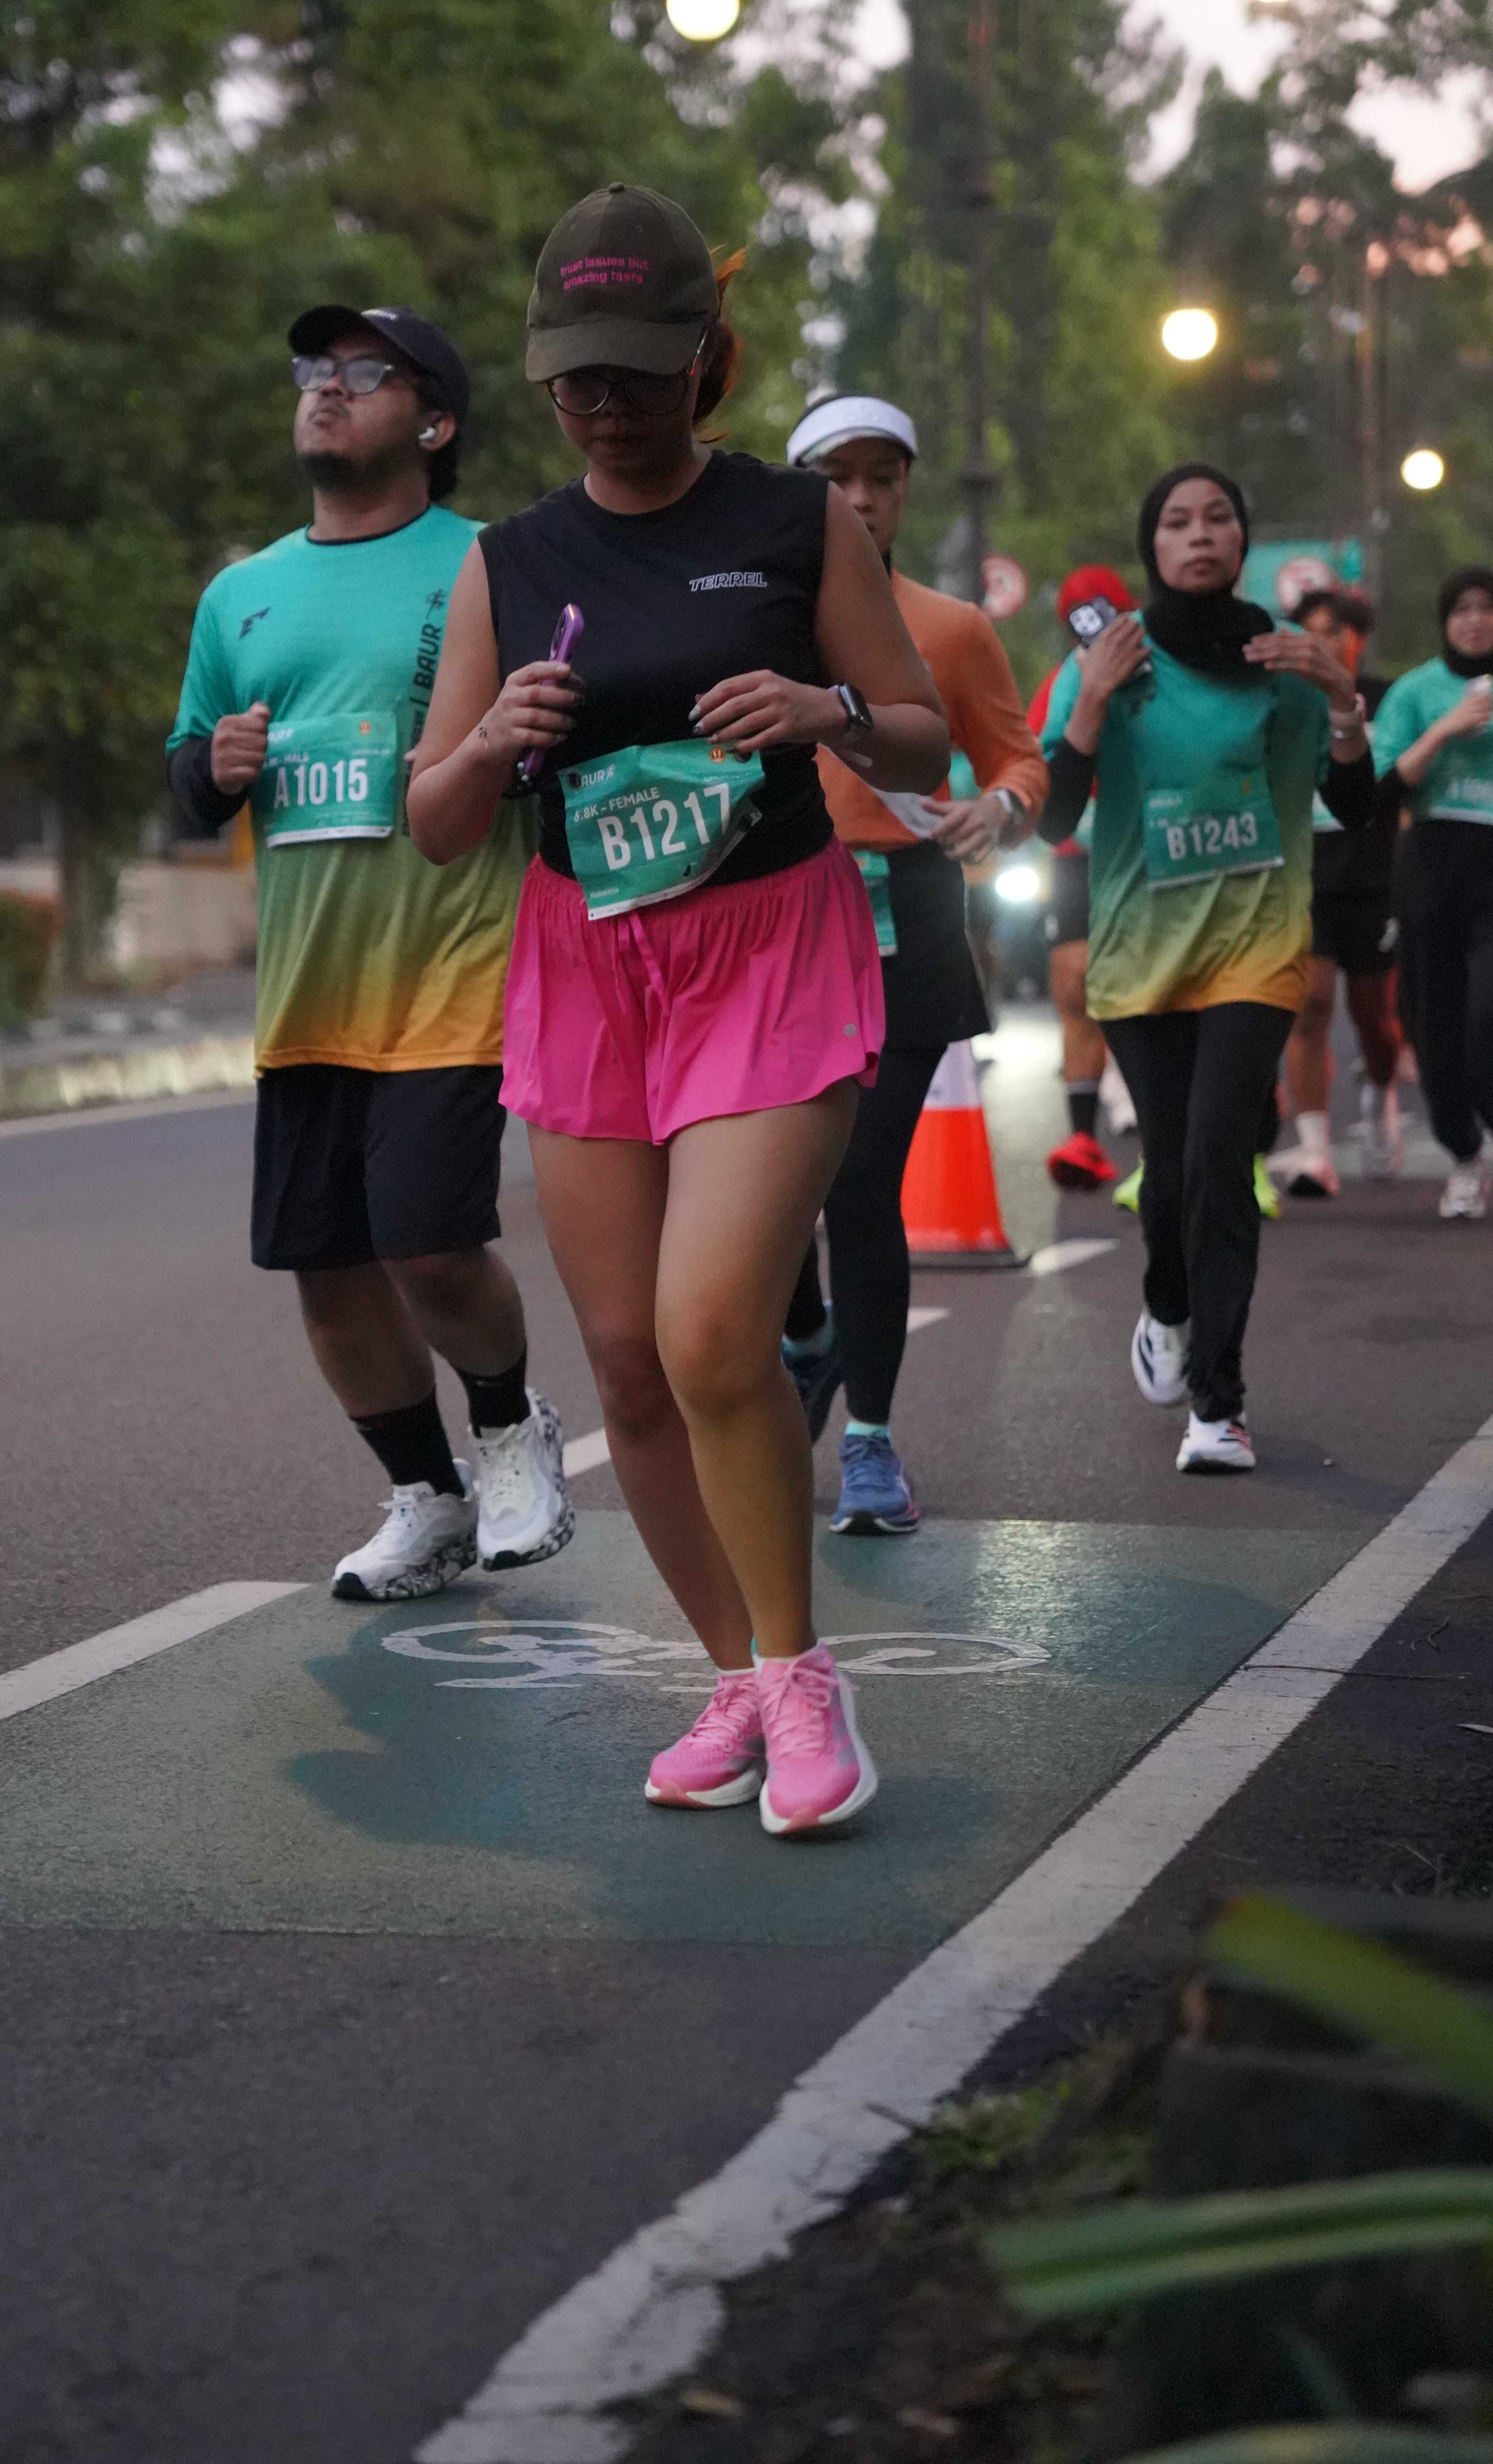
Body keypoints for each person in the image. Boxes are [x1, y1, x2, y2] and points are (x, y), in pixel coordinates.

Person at [408, 184, 949, 1835]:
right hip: (589, 963)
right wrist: (492, 740)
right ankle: (734, 1676)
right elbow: (435, 820)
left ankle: (803, 1679)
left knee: (715, 1328)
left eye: (636, 370)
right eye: (574, 373)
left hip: (766, 946)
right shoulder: (507, 562)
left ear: (703, 359)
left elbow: (924, 733)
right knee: (632, 1367)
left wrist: (825, 707)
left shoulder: (797, 522)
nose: (603, 400)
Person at [167, 304, 572, 1602]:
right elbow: (190, 778)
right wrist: (214, 765)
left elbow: (562, 735)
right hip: (308, 988)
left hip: (453, 961)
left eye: (365, 374)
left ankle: (508, 1430)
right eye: (314, 369)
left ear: (436, 422)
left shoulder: (494, 565)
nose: (326, 389)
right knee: (328, 1268)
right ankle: (427, 1499)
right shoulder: (240, 593)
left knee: (429, 1242)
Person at [1038, 464, 1375, 1474]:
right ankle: (1166, 1303)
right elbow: (1052, 818)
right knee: (1172, 1172)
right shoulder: (1109, 660)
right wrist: (1092, 701)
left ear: (1241, 540)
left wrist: (1342, 701)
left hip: (1255, 946)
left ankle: (1218, 1406)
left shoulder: (1286, 660)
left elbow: (1356, 808)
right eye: (1177, 521)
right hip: (1140, 953)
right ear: (1152, 545)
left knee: (1220, 1163)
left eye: (1218, 518)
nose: (1199, 535)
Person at [775, 393, 1047, 1533]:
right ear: (798, 492)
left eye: (880, 479)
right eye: (835, 479)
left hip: (909, 917)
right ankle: (806, 1337)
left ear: (902, 493)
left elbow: (1019, 764)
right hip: (775, 922)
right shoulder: (755, 622)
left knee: (857, 1182)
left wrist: (997, 810)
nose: (860, 499)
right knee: (767, 1185)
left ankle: (872, 1443)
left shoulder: (950, 629)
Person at [1268, 587, 1403, 1197]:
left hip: (1373, 878)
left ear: (1357, 639)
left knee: (1374, 1020)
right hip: (1305, 875)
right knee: (1311, 1005)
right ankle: (1315, 1151)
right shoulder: (1285, 700)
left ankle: (1381, 1093)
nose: (1320, 642)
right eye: (1309, 631)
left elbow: (1400, 775)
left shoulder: (1387, 699)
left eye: (1332, 630)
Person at [1370, 564, 1493, 1220]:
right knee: (1433, 1027)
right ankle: (1465, 1156)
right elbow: (1382, 791)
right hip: (1432, 865)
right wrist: (1447, 728)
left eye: (1487, 608)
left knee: (1485, 1015)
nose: (1475, 621)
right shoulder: (1416, 692)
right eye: (1462, 609)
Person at [1029, 566, 1136, 1192]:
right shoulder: (1060, 683)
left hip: (1147, 849)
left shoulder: (1164, 670)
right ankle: (1083, 1136)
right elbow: (1032, 763)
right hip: (1074, 855)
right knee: (1075, 987)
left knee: (1152, 987)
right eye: (1080, 616)